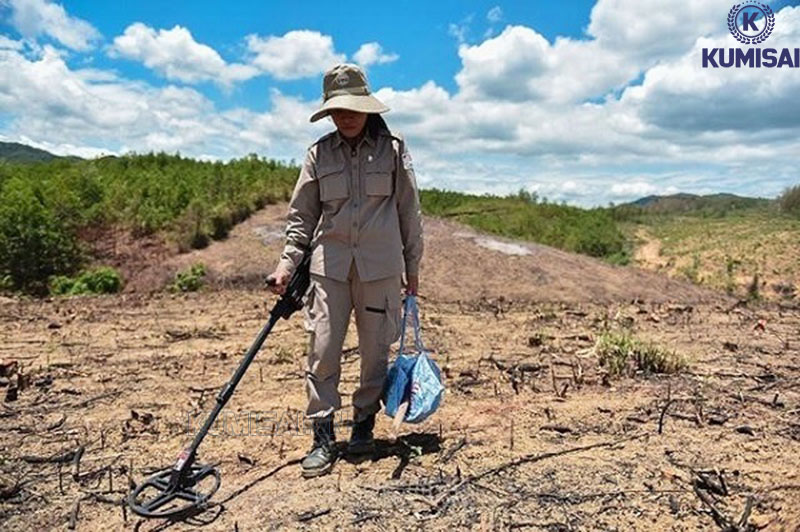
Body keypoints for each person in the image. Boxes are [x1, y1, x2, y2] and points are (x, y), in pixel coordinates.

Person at [266, 63, 424, 478]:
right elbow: (301, 218)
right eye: (337, 109)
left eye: (352, 107)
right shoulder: (318, 154)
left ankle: (362, 428)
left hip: (382, 270)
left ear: (368, 107)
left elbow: (410, 211)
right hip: (328, 270)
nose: (345, 116)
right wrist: (286, 266)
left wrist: (414, 270)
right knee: (321, 352)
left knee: (375, 354)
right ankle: (322, 437)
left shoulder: (392, 149)